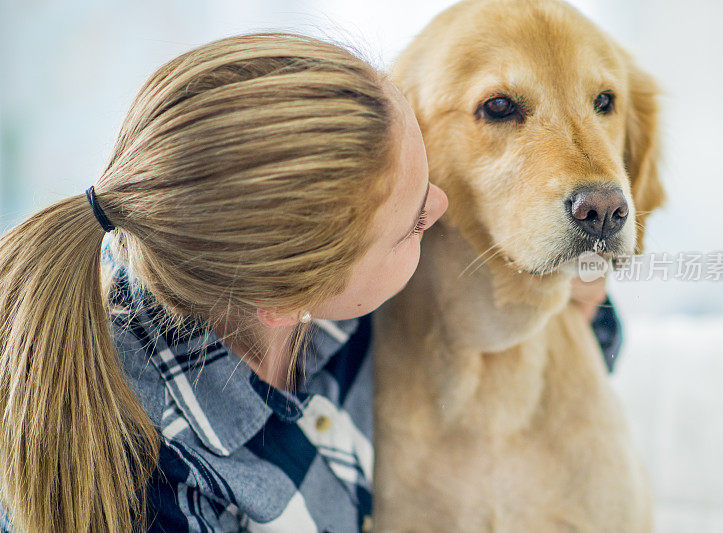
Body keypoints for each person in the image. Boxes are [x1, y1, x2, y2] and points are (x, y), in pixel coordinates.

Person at [0, 33, 619, 532]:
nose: (438, 206)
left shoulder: (326, 301)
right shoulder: (158, 489)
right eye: (409, 226)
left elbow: (527, 333)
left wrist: (580, 295)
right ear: (289, 301)